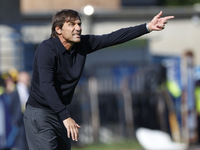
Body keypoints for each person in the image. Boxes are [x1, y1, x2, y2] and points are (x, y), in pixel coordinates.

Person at [23, 9, 174, 150]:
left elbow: (113, 37)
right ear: (58, 29)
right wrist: (66, 116)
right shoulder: (47, 49)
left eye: (79, 24)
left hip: (60, 113)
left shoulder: (82, 45)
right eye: (71, 24)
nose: (78, 28)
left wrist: (147, 27)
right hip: (41, 113)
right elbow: (46, 86)